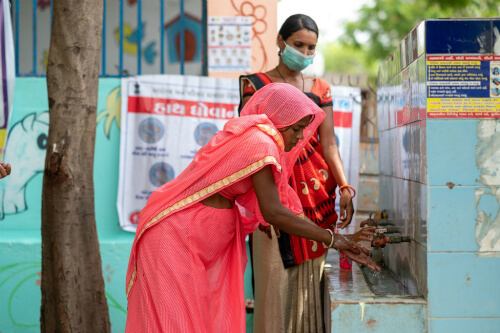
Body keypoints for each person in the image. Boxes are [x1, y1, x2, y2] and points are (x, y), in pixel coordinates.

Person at [125, 83, 380, 333]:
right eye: (297, 129)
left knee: (193, 321)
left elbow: (268, 208)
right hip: (173, 240)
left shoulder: (260, 141)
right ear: (279, 121)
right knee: (176, 323)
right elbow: (274, 212)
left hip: (187, 242)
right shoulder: (261, 143)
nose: (301, 137)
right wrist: (334, 239)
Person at [238, 14, 355, 333]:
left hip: (314, 199)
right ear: (280, 42)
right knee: (273, 287)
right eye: (298, 45)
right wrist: (262, 204)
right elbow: (254, 143)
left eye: (311, 47)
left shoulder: (320, 88)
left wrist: (344, 186)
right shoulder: (257, 84)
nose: (304, 52)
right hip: (272, 197)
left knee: (309, 290)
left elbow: (328, 142)